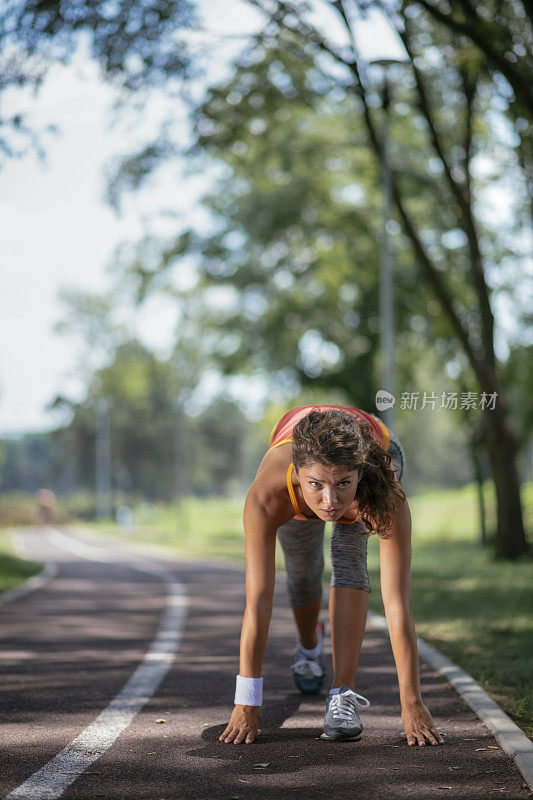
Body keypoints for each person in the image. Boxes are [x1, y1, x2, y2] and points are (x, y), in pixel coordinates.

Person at [219, 405, 445, 747]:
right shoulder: (268, 494)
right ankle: (309, 646)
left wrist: (412, 703)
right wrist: (246, 702)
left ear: (357, 474)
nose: (329, 501)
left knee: (349, 560)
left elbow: (396, 603)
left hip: (373, 459)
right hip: (299, 486)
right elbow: (259, 600)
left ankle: (343, 694)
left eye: (342, 484)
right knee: (303, 574)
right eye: (317, 485)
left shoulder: (381, 490)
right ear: (297, 474)